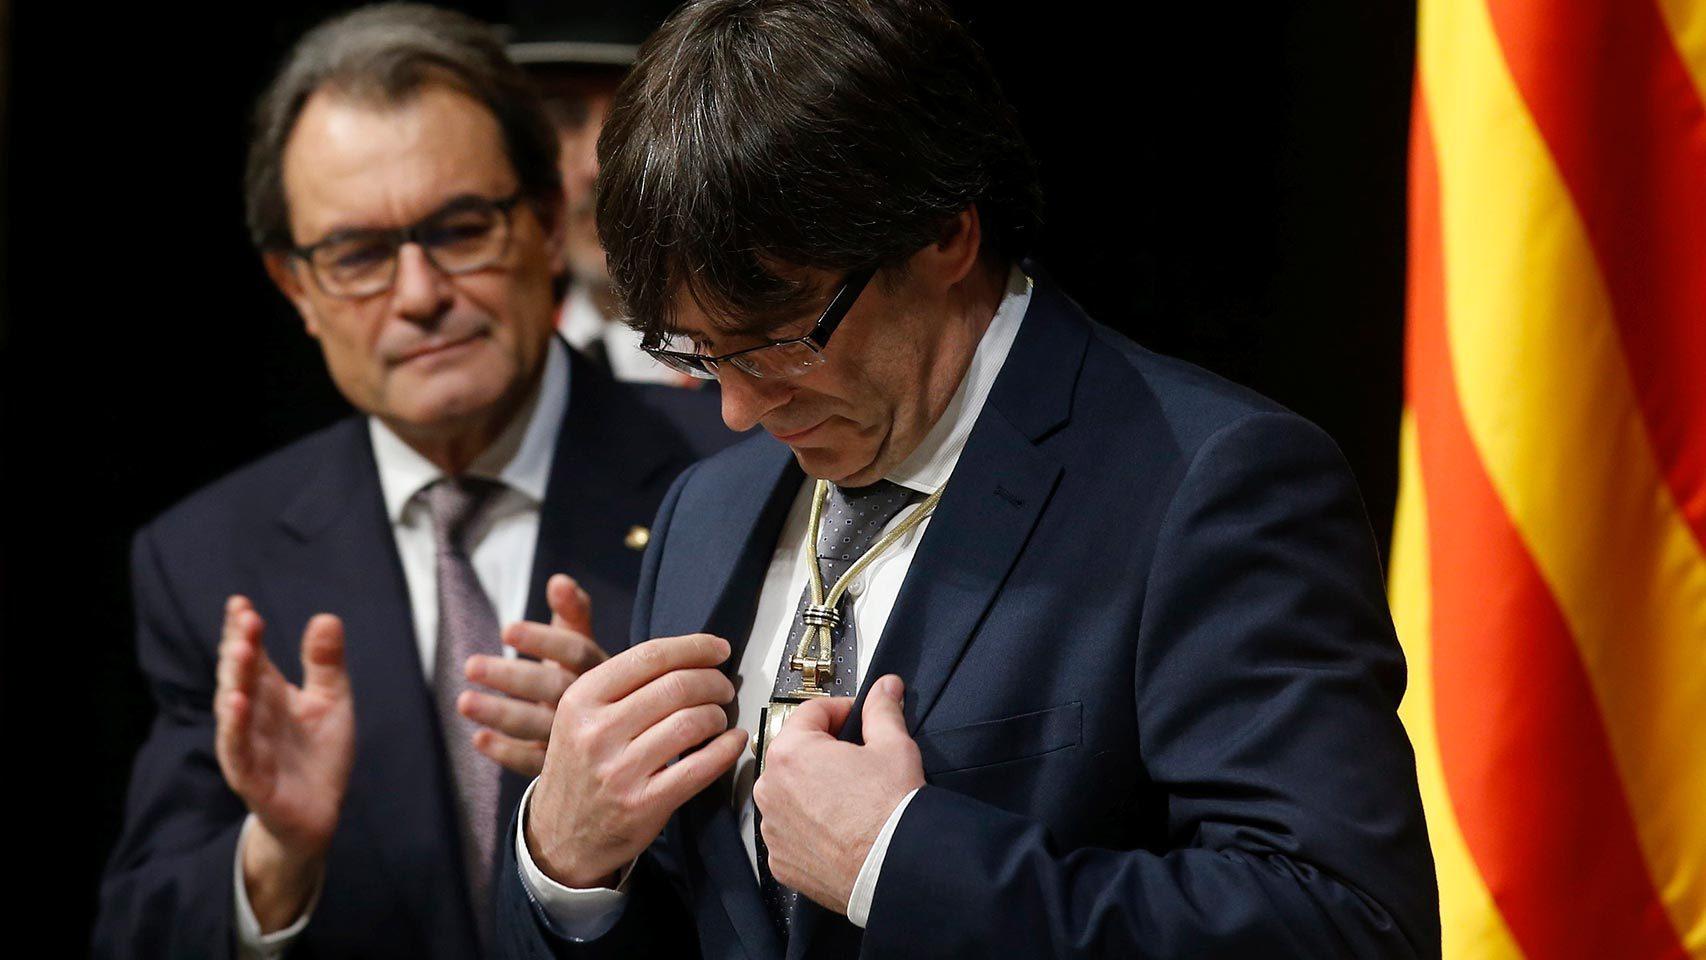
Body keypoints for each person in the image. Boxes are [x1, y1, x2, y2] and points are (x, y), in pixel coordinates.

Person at [498, 1, 1441, 958]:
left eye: (779, 341)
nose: (738, 410)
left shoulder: (1212, 485)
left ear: (944, 233)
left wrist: (900, 862)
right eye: (696, 352)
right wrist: (570, 865)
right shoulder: (707, 508)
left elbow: (1345, 925)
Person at [93, 6, 734, 959]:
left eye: (461, 229)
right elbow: (138, 932)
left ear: (545, 225)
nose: (421, 294)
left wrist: (625, 794)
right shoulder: (208, 559)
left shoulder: (732, 474)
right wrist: (275, 855)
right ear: (296, 289)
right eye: (357, 255)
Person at [506, 0, 694, 385]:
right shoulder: (501, 382)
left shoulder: (785, 376)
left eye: (638, 114)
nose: (597, 167)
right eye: (565, 118)